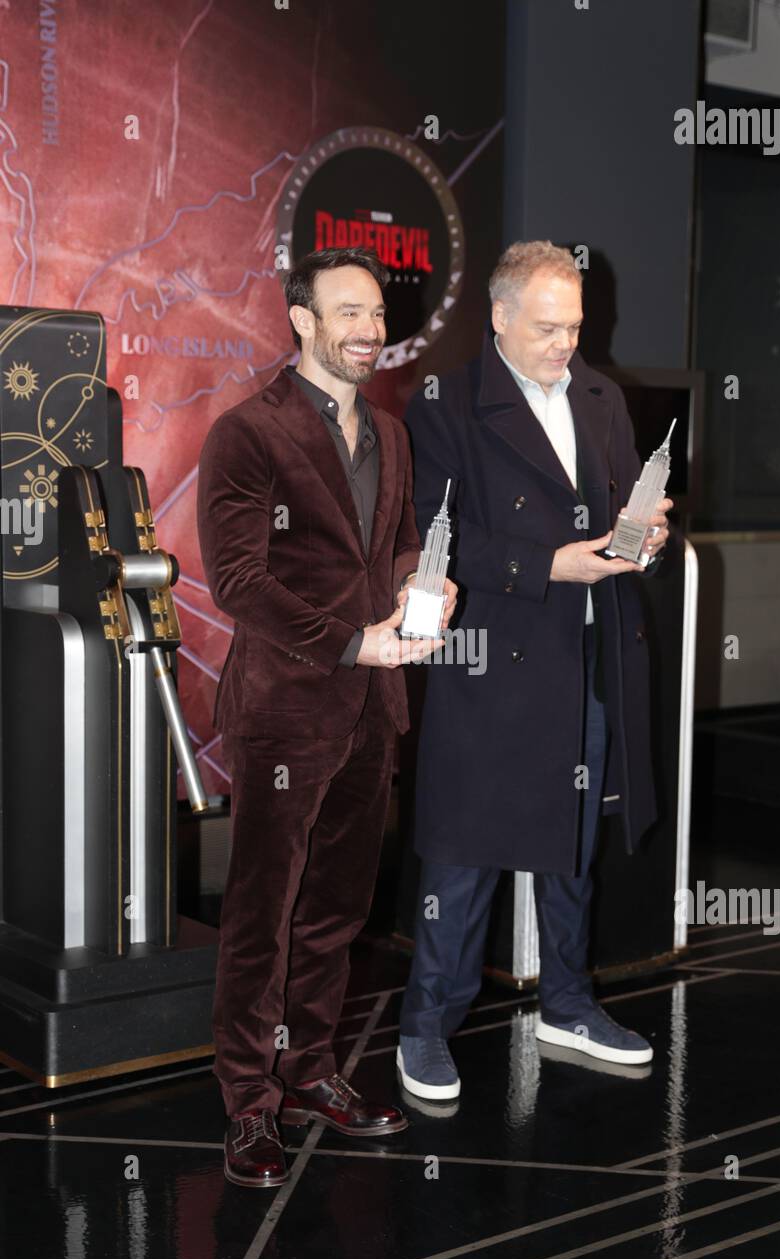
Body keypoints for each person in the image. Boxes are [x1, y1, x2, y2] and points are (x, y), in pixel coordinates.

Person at [197, 246, 455, 1186]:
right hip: (284, 710)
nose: (370, 331)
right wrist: (354, 643)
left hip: (371, 711)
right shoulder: (246, 433)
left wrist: (427, 585)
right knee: (263, 913)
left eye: (377, 315)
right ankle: (248, 1102)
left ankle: (309, 1071)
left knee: (340, 909)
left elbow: (398, 544)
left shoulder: (391, 434)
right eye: (349, 312)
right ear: (301, 320)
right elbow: (238, 581)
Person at [397, 240, 674, 1101]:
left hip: (585, 653)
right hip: (493, 654)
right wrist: (550, 565)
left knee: (573, 843)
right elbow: (438, 536)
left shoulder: (602, 398)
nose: (566, 344)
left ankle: (568, 1001)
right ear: (499, 316)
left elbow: (622, 513)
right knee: (465, 850)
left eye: (576, 327)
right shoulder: (444, 404)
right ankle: (425, 1027)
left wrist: (646, 538)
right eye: (549, 328)